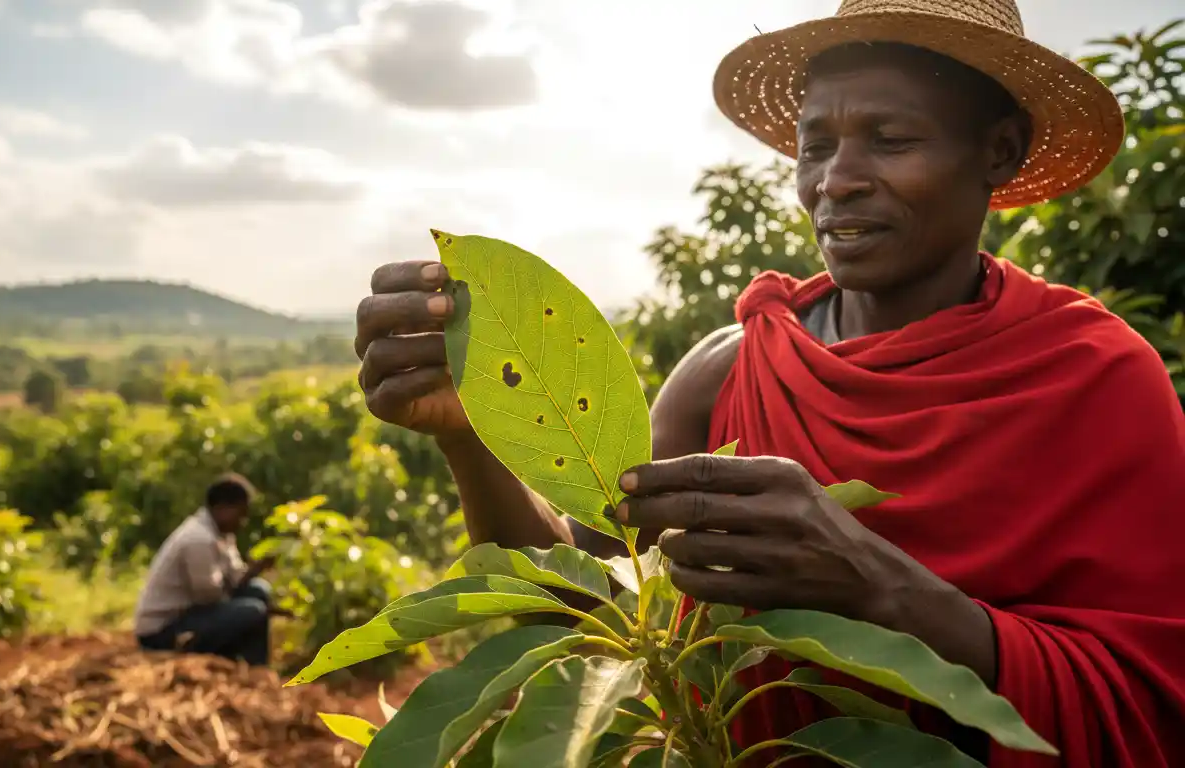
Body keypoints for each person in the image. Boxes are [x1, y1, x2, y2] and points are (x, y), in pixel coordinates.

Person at [352, 0, 1185, 765]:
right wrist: (472, 434)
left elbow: (1150, 706)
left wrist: (879, 585)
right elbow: (584, 606)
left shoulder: (1097, 380)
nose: (836, 179)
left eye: (890, 140)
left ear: (997, 150)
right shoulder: (729, 370)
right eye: (816, 145)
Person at [134, 472, 281, 666]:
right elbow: (208, 597)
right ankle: (252, 669)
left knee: (258, 590)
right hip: (162, 631)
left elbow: (235, 578)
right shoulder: (198, 539)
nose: (243, 521)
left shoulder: (222, 534)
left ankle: (253, 664)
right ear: (222, 508)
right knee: (253, 611)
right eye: (240, 513)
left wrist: (254, 570)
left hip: (190, 614)